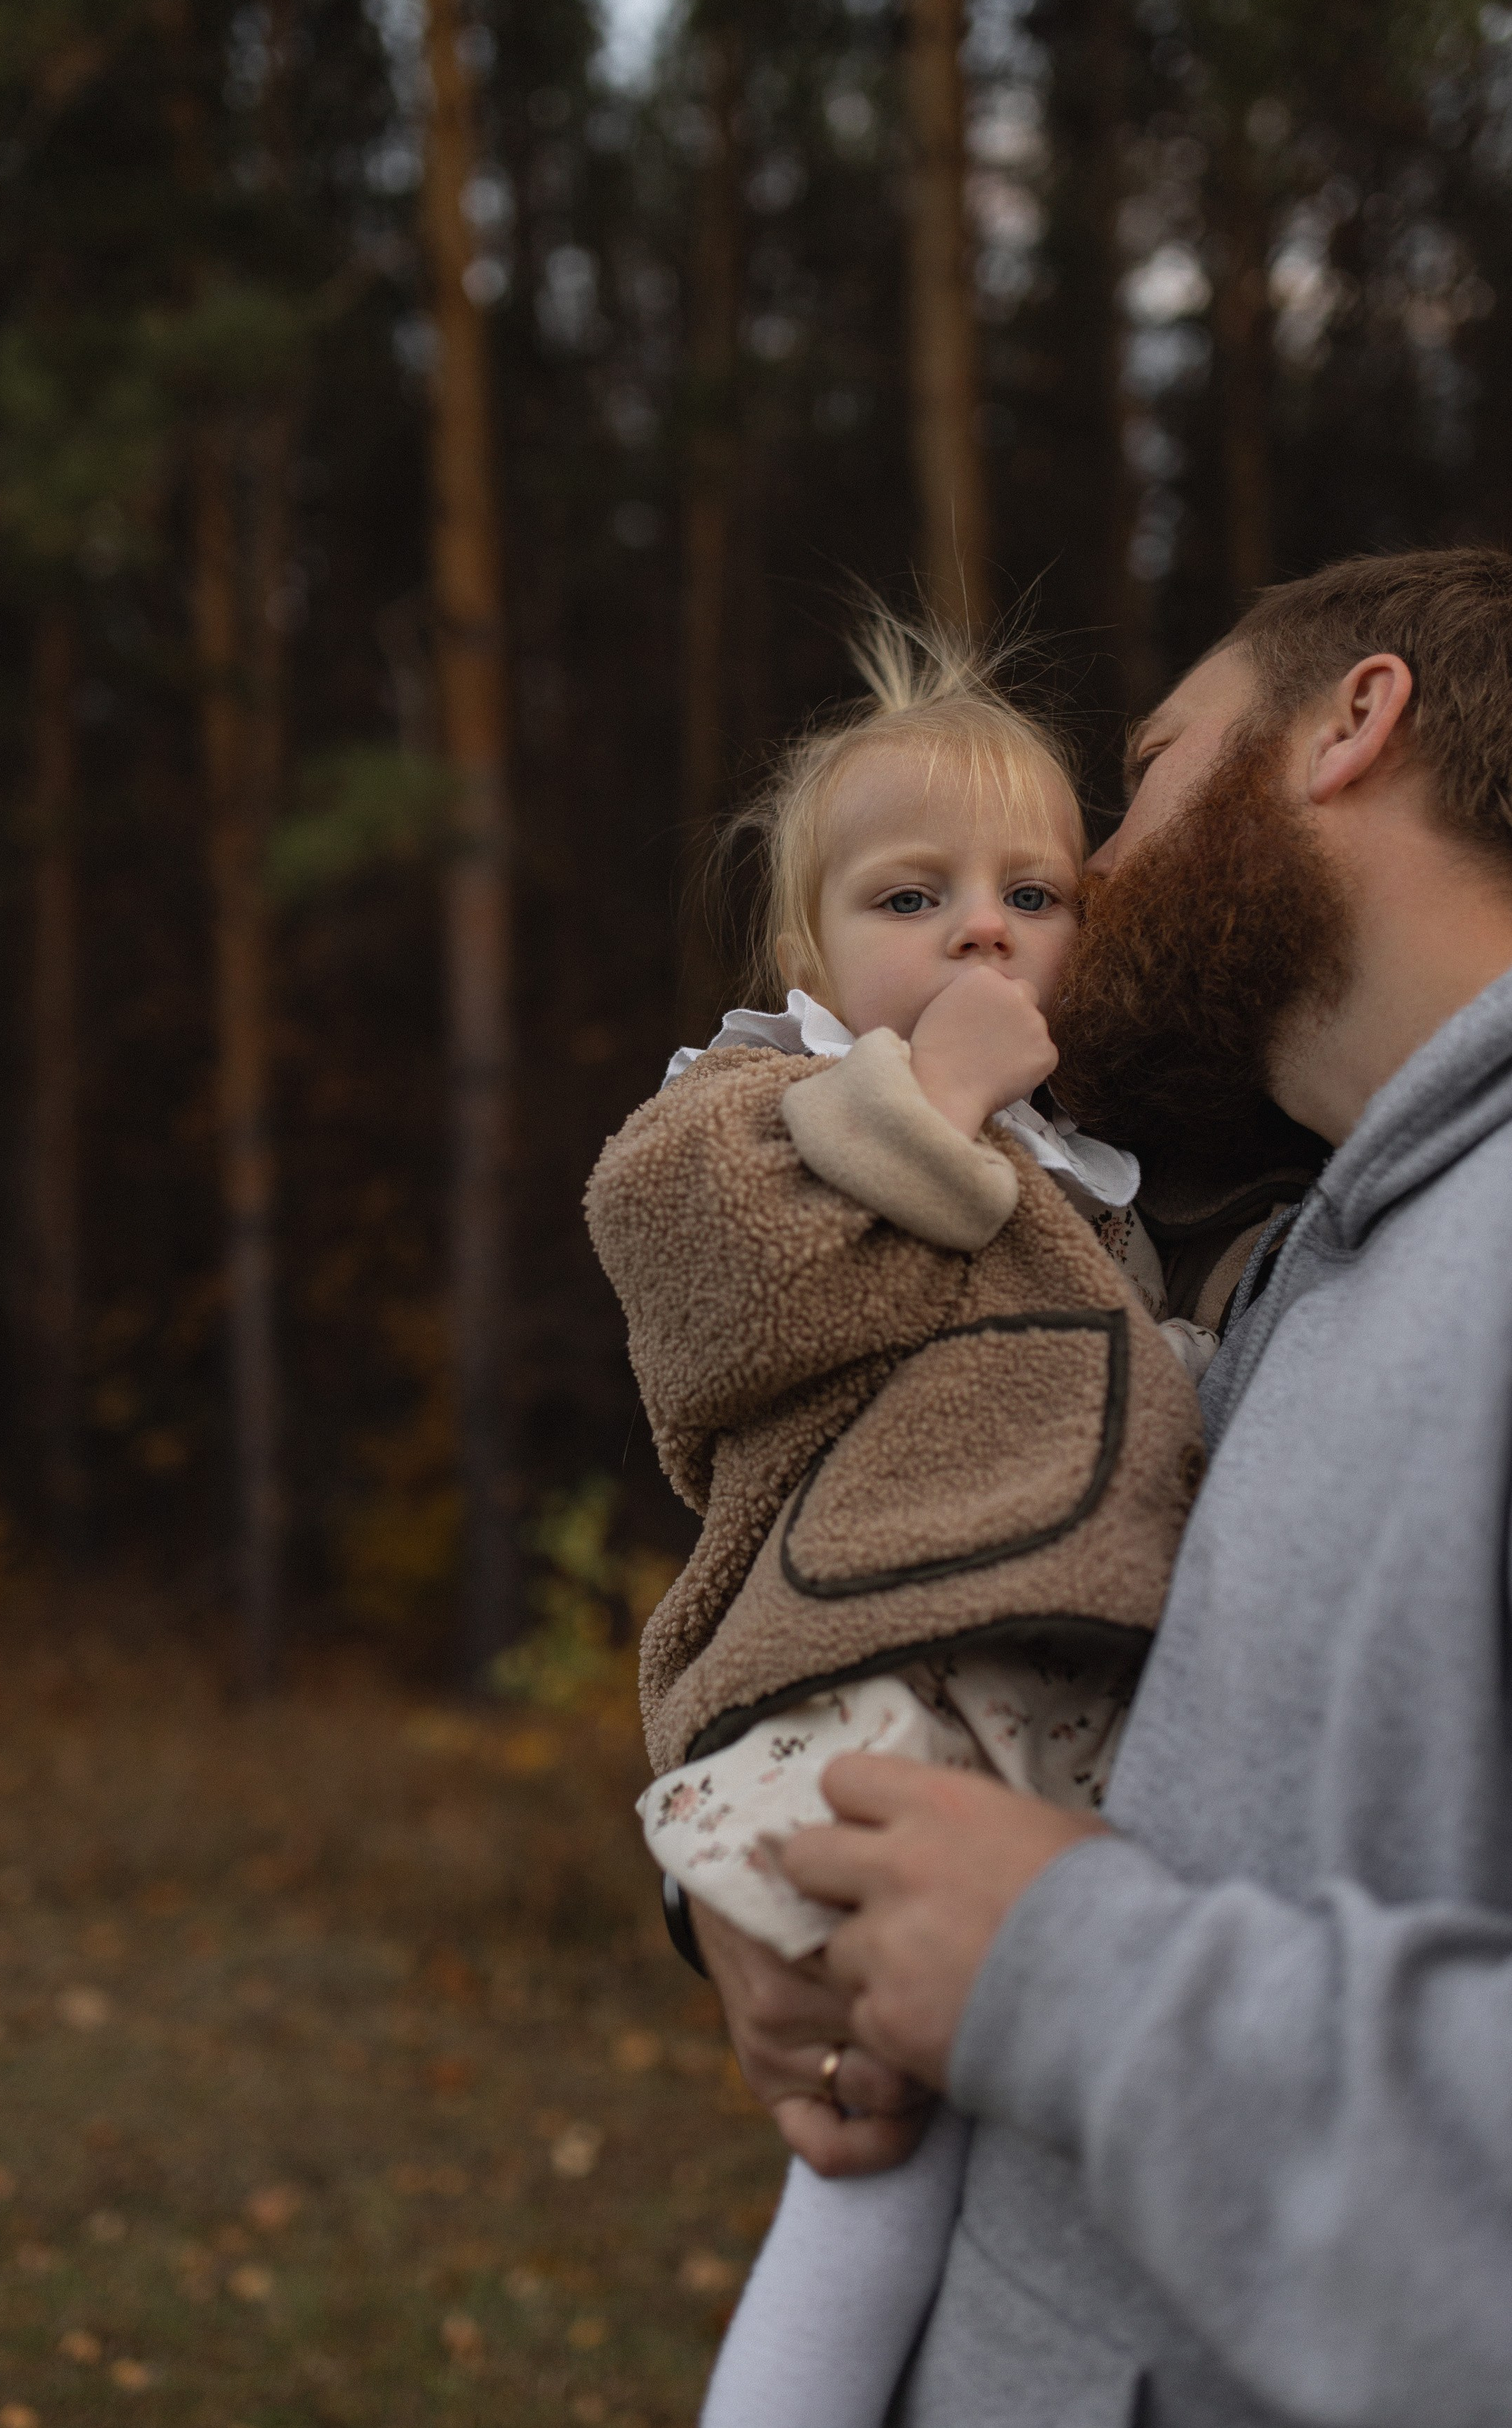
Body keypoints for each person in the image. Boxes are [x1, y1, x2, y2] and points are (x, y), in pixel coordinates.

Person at [694, 547, 1512, 2427]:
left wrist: (1060, 1975)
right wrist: (798, 1882)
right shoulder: (1308, 1254)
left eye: (1141, 780)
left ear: (1351, 725)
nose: (1092, 877)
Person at [585, 615, 1230, 2428]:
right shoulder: (738, 1111)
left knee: (985, 2127)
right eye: (911, 895)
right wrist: (936, 1089)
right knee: (868, 2138)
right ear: (807, 950)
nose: (981, 930)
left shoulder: (1096, 1171)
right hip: (857, 1667)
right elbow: (708, 1289)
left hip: (1048, 1701)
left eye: (1036, 893)